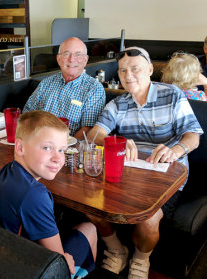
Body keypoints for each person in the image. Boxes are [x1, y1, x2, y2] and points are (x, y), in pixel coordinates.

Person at [86, 47, 203, 279]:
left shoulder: (172, 94)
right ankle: (116, 249)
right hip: (129, 172)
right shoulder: (118, 104)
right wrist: (115, 140)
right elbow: (93, 135)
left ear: (150, 69)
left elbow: (193, 136)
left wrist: (176, 149)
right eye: (122, 71)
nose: (128, 75)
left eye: (135, 69)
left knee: (148, 220)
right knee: (90, 204)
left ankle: (141, 259)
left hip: (166, 172)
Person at [0, 110, 97, 278]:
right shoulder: (34, 195)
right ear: (20, 147)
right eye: (47, 148)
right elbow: (60, 263)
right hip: (18, 271)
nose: (57, 158)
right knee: (89, 229)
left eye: (62, 150)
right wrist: (63, 259)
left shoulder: (7, 170)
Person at [23, 37, 105, 140]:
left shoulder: (94, 89)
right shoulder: (46, 83)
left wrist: (63, 148)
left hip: (69, 149)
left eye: (78, 54)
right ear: (58, 59)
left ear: (85, 60)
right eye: (66, 54)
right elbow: (27, 113)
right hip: (38, 141)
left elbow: (88, 130)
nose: (71, 59)